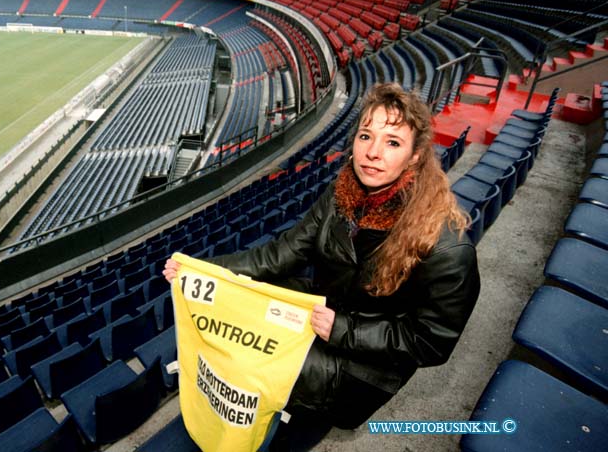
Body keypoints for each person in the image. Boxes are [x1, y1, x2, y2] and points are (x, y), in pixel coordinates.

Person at [163, 83, 480, 439]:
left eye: (392, 142)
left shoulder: (447, 248)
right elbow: (281, 253)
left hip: (363, 367)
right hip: (323, 312)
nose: (373, 152)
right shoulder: (341, 193)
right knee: (238, 314)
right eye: (365, 136)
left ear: (415, 156)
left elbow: (431, 341)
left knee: (249, 365)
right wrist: (202, 271)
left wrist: (343, 330)